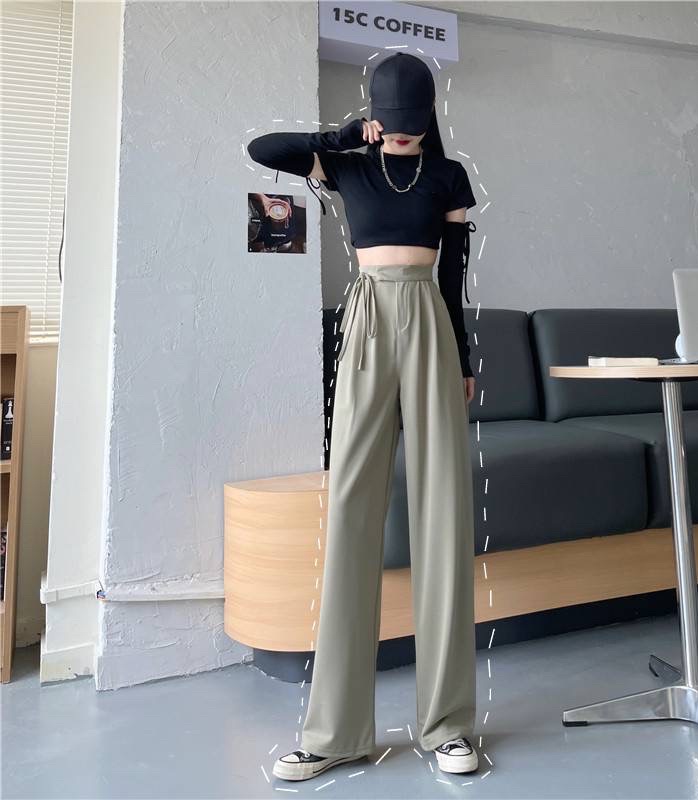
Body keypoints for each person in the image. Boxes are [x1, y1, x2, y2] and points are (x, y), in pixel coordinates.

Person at [247, 52, 479, 782]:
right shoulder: (346, 166)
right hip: (369, 320)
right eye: (392, 121)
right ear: (378, 116)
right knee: (350, 506)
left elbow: (454, 275)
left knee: (443, 512)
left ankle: (447, 725)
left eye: (413, 122)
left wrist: (465, 357)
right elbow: (264, 150)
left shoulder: (448, 176)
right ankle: (336, 732)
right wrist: (346, 134)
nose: (403, 133)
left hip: (431, 325)